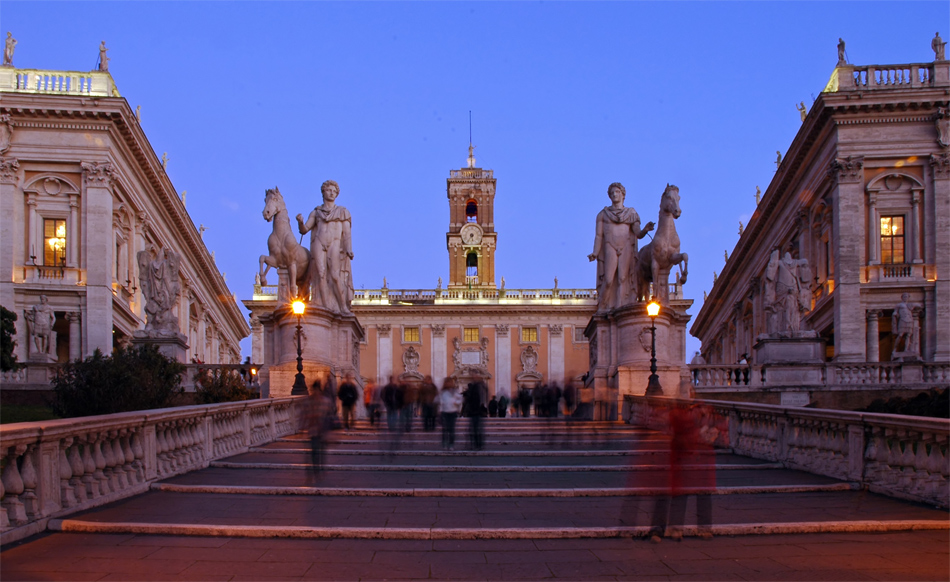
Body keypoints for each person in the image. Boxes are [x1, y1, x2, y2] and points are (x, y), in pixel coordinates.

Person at [589, 182, 654, 311]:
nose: (614, 194)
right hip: (610, 246)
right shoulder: (603, 214)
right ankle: (603, 307)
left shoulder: (631, 213)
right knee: (608, 279)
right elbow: (598, 236)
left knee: (623, 278)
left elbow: (637, 233)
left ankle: (620, 308)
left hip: (626, 247)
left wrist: (645, 230)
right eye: (612, 193)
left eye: (617, 192)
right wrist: (595, 252)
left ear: (623, 195)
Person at [296, 180, 353, 315]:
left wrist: (349, 248)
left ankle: (343, 306)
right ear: (323, 192)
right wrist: (300, 222)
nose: (332, 193)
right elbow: (304, 230)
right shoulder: (316, 212)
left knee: (335, 275)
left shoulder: (342, 212)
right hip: (319, 243)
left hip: (335, 243)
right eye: (329, 190)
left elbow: (347, 233)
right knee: (320, 274)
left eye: (334, 191)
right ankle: (325, 306)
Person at [438, 378, 463, 450]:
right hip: (444, 412)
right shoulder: (442, 392)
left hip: (453, 412)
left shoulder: (455, 391)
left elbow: (460, 399)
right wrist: (439, 410)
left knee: (452, 429)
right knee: (445, 429)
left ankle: (451, 444)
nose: (448, 384)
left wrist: (456, 403)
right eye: (447, 382)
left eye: (449, 382)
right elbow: (440, 401)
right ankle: (445, 444)